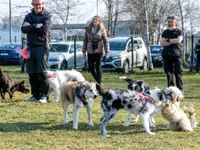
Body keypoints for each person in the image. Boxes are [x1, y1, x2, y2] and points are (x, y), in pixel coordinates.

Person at [21, 0, 52, 103]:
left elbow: (44, 31)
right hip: (30, 47)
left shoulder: (47, 16)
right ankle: (35, 95)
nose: (37, 6)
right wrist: (36, 25)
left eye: (39, 4)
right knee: (32, 72)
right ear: (32, 5)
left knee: (42, 72)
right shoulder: (28, 16)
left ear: (43, 4)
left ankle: (44, 95)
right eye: (35, 4)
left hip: (42, 46)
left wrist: (30, 26)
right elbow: (23, 29)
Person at [82, 16, 110, 88]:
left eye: (96, 20)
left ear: (99, 21)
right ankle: (99, 81)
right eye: (93, 20)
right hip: (90, 50)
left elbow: (106, 42)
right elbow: (85, 41)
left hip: (99, 50)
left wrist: (107, 52)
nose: (94, 21)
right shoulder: (88, 29)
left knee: (98, 67)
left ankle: (99, 84)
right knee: (91, 68)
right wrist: (84, 52)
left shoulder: (102, 29)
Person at [161, 15, 184, 93]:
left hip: (176, 54)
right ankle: (170, 90)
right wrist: (172, 41)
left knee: (178, 73)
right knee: (169, 74)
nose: (169, 23)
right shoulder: (165, 32)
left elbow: (178, 41)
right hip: (166, 55)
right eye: (168, 21)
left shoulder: (179, 31)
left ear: (175, 21)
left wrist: (167, 40)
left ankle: (180, 90)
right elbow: (162, 44)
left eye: (171, 21)